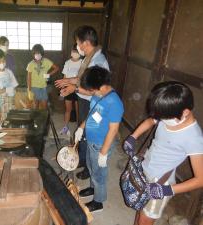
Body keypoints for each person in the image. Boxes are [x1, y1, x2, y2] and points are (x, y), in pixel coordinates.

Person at [123, 81, 203, 225]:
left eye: (164, 118)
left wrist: (167, 190)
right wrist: (133, 136)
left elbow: (200, 179)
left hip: (160, 183)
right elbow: (150, 121)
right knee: (139, 209)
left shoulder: (194, 138)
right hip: (144, 168)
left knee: (144, 220)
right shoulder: (169, 112)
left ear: (185, 112)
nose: (161, 120)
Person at [55, 25, 109, 180]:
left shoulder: (97, 61)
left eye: (78, 42)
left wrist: (74, 89)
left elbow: (96, 90)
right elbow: (82, 80)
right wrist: (67, 81)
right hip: (86, 101)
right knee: (83, 133)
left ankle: (88, 167)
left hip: (94, 103)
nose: (77, 46)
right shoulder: (89, 57)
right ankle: (83, 160)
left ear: (85, 42)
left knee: (88, 135)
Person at [74, 66, 124, 212]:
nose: (90, 93)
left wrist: (103, 152)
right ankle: (92, 188)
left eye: (91, 90)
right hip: (91, 139)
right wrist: (81, 128)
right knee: (90, 166)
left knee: (99, 174)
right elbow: (92, 114)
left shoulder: (114, 103)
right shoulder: (98, 95)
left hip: (102, 144)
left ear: (100, 86)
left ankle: (98, 201)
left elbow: (113, 130)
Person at [26, 44, 59, 110]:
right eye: (36, 53)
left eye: (39, 53)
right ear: (33, 54)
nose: (37, 54)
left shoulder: (46, 61)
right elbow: (28, 78)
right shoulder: (31, 64)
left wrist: (49, 74)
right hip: (34, 87)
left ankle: (44, 119)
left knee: (44, 106)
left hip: (43, 87)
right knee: (36, 106)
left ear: (42, 53)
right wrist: (29, 90)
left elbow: (57, 68)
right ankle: (36, 120)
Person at [59, 44, 82, 136]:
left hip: (77, 88)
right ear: (71, 52)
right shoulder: (67, 62)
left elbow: (81, 77)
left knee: (78, 110)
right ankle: (65, 127)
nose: (75, 53)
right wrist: (62, 88)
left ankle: (79, 128)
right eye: (74, 51)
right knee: (68, 109)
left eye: (77, 52)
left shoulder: (82, 62)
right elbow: (64, 77)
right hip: (67, 88)